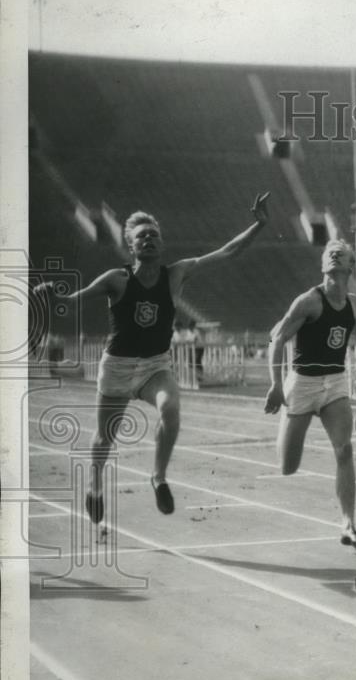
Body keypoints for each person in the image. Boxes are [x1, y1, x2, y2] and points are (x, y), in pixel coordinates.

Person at [33, 192, 271, 523]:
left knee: (171, 409)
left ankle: (158, 477)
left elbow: (227, 252)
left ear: (162, 244)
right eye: (141, 236)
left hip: (155, 366)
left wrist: (258, 225)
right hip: (117, 366)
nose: (148, 239)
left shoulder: (176, 274)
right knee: (106, 435)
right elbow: (73, 300)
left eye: (153, 234)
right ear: (131, 247)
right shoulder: (117, 279)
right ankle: (95, 483)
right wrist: (50, 295)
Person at [265, 239, 356, 549]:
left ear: (349, 268)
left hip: (335, 382)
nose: (334, 260)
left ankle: (348, 524)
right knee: (288, 466)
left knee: (344, 450)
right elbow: (277, 341)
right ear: (323, 266)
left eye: (340, 258)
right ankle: (287, 424)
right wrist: (276, 385)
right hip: (302, 383)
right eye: (330, 258)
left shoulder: (353, 301)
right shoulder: (308, 302)